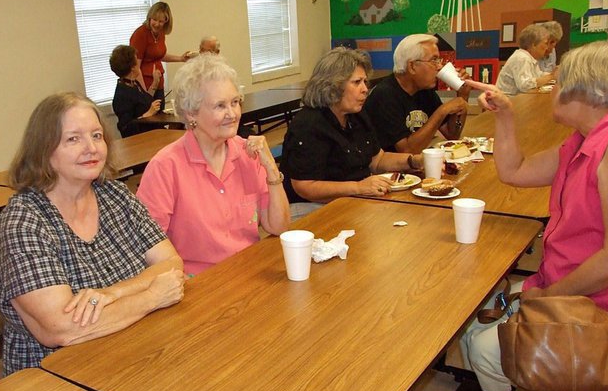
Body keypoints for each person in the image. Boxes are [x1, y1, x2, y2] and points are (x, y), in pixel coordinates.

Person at [461, 41, 608, 391]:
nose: (551, 89)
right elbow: (514, 171)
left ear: (587, 93)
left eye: (559, 83)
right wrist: (505, 115)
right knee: (471, 321)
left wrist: (549, 297)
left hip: (598, 303)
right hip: (566, 287)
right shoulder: (582, 140)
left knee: (486, 350)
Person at [0, 92, 185, 375]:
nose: (91, 148)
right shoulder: (23, 222)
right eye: (73, 139)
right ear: (44, 150)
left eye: (97, 136)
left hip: (134, 350)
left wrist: (110, 294)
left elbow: (171, 264)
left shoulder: (115, 195)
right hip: (57, 380)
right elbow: (61, 329)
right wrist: (151, 296)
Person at [136, 54, 290, 276]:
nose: (233, 114)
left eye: (235, 102)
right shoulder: (165, 167)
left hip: (249, 273)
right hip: (198, 284)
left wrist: (271, 169)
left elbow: (279, 227)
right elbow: (146, 248)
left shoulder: (248, 154)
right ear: (191, 114)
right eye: (220, 106)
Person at [279, 47, 424, 217]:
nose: (365, 89)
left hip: (352, 199)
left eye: (365, 82)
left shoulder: (357, 115)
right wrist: (358, 187)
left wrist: (415, 161)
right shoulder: (308, 125)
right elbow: (305, 186)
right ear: (333, 86)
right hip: (310, 208)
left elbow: (377, 160)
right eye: (357, 82)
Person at [365, 34, 470, 153]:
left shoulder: (424, 90)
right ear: (412, 66)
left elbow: (452, 134)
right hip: (387, 170)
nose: (439, 66)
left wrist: (463, 95)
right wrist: (442, 111)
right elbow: (407, 150)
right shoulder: (384, 95)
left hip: (413, 166)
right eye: (434, 60)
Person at [129, 2, 193, 110]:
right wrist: (146, 94)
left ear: (166, 22)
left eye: (161, 21)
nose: (157, 24)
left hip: (158, 83)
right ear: (149, 18)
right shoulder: (140, 34)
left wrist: (181, 59)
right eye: (154, 19)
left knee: (161, 118)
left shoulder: (160, 33)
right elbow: (136, 67)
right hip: (145, 85)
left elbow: (159, 55)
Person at [109, 45, 162, 138]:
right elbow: (126, 128)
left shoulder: (134, 83)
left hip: (152, 133)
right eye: (136, 60)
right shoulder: (122, 94)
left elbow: (145, 99)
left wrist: (155, 82)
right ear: (132, 67)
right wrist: (147, 114)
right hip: (141, 140)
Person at [496, 23, 555, 95]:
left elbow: (539, 75)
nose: (547, 48)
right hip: (510, 101)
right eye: (545, 43)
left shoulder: (528, 57)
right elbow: (525, 86)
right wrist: (551, 76)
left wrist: (554, 74)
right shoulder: (522, 58)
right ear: (534, 45)